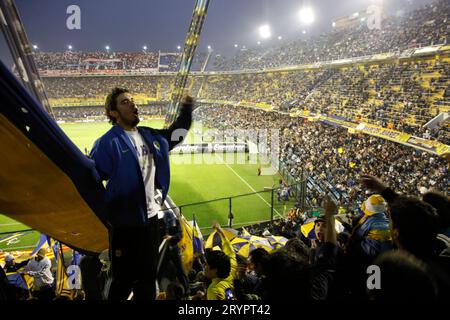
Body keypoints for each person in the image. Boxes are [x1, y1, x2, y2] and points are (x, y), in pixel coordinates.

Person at [90, 87, 193, 300]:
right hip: (124, 224)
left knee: (147, 278)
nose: (133, 104)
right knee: (122, 280)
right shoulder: (107, 143)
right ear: (113, 113)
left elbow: (176, 135)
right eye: (125, 102)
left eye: (133, 100)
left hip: (151, 221)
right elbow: (92, 179)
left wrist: (187, 110)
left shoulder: (150, 135)